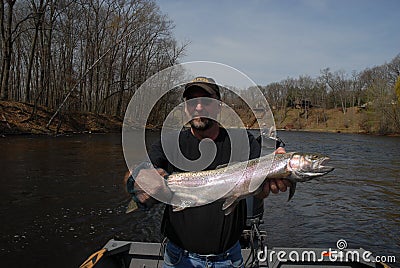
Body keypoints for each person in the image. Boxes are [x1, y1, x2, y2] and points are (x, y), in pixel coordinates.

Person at [126, 77, 290, 268]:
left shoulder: (242, 141)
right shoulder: (169, 143)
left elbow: (260, 190)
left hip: (229, 258)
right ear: (186, 107)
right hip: (178, 258)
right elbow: (133, 176)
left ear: (219, 106)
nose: (199, 107)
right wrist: (139, 182)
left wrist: (272, 178)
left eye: (206, 100)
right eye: (192, 101)